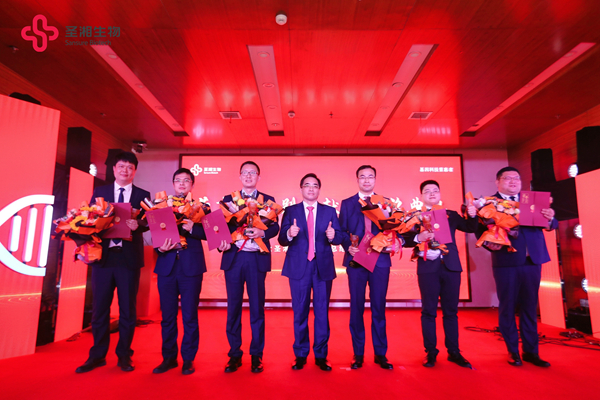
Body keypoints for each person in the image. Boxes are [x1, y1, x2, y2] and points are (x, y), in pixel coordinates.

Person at [76, 151, 150, 373]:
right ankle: (97, 355)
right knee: (100, 309)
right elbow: (89, 220)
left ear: (135, 171)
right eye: (121, 166)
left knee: (127, 310)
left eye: (130, 167)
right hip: (104, 259)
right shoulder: (101, 192)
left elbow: (150, 222)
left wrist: (139, 226)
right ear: (114, 169)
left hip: (128, 260)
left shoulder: (143, 194)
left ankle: (124, 355)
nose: (125, 170)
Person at [482, 167, 557, 367]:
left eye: (516, 178)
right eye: (507, 178)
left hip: (532, 260)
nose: (513, 181)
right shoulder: (490, 203)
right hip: (506, 261)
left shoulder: (531, 200)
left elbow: (552, 224)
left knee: (530, 307)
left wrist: (550, 217)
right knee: (507, 307)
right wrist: (490, 243)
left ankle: (531, 352)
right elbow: (480, 230)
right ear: (498, 182)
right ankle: (513, 351)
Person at [217, 161, 280, 373]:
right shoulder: (228, 200)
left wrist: (263, 232)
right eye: (245, 172)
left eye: (253, 172)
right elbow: (220, 227)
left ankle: (256, 355)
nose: (249, 175)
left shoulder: (267, 200)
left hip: (256, 259)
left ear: (258, 177)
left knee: (257, 309)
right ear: (240, 176)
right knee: (233, 308)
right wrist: (222, 241)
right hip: (234, 258)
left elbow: (275, 227)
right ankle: (234, 354)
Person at [407, 180, 478, 368]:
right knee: (428, 311)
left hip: (451, 267)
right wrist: (418, 237)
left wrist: (472, 216)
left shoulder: (451, 215)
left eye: (435, 190)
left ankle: (454, 351)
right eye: (427, 191)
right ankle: (430, 352)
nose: (432, 193)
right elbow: (405, 239)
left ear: (439, 194)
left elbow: (470, 228)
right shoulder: (415, 216)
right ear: (421, 195)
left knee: (451, 311)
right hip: (428, 268)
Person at [278, 173, 343, 371]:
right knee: (300, 311)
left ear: (319, 189)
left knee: (322, 312)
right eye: (307, 185)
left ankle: (321, 355)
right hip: (299, 266)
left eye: (315, 185)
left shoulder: (329, 211)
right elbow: (281, 239)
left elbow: (339, 237)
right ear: (301, 189)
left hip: (322, 266)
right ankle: (300, 354)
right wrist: (289, 233)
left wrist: (333, 235)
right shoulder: (291, 210)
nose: (311, 188)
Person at [339, 165, 400, 370]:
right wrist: (347, 246)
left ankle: (380, 353)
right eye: (362, 177)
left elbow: (395, 230)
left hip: (380, 260)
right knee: (356, 307)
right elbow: (341, 231)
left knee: (378, 307)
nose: (366, 180)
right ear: (357, 180)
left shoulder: (387, 203)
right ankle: (358, 353)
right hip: (356, 260)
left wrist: (393, 241)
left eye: (370, 177)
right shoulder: (347, 203)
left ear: (375, 179)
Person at [152, 168, 207, 375]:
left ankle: (188, 359)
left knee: (190, 316)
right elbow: (156, 235)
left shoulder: (201, 207)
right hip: (167, 267)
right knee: (167, 316)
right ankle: (168, 358)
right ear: (173, 184)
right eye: (178, 180)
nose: (182, 184)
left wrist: (194, 227)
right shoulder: (161, 206)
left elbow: (211, 234)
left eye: (186, 180)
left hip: (191, 267)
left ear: (192, 184)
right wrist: (160, 249)